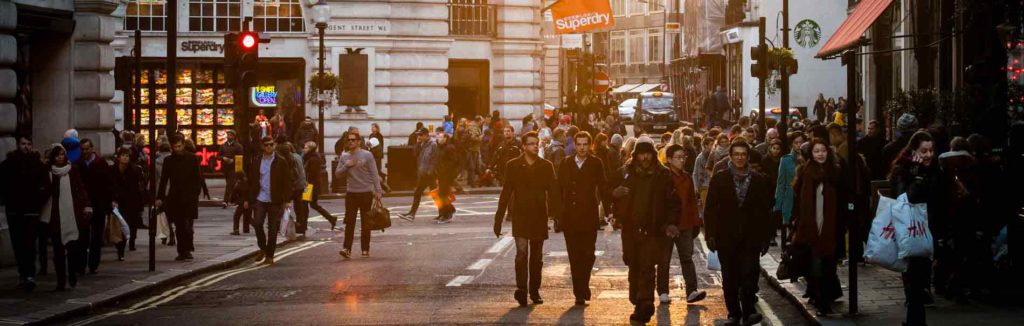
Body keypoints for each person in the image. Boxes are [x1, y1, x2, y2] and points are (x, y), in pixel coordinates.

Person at [704, 140, 775, 326]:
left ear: (748, 156)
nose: (740, 157)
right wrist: (710, 234)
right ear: (730, 156)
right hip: (726, 237)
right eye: (736, 154)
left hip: (751, 238)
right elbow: (710, 209)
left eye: (743, 154)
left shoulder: (759, 180)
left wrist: (766, 237)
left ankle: (749, 311)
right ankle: (733, 313)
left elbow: (765, 211)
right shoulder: (719, 178)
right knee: (730, 278)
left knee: (750, 275)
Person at [613, 141, 678, 324]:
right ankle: (638, 300)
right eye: (641, 154)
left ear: (653, 154)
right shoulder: (625, 173)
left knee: (647, 267)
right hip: (631, 229)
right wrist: (614, 194)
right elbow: (608, 189)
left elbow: (673, 202)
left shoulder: (663, 175)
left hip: (653, 230)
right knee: (633, 264)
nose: (645, 158)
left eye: (648, 154)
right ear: (635, 156)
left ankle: (645, 302)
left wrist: (671, 223)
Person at [889, 130, 948, 326]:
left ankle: (914, 320)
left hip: (930, 230)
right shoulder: (904, 170)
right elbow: (904, 199)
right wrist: (918, 178)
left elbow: (941, 200)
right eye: (924, 151)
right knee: (915, 279)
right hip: (910, 229)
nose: (928, 155)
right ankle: (916, 321)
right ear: (914, 151)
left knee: (921, 279)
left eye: (931, 150)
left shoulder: (936, 170)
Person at [494, 131, 560, 306]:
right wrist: (498, 218)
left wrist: (557, 216)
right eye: (530, 143)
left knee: (536, 257)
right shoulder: (513, 165)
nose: (534, 146)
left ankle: (535, 290)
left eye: (535, 143)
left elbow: (553, 192)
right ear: (523, 146)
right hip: (521, 215)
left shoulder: (546, 166)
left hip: (539, 215)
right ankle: (521, 289)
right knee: (521, 253)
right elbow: (506, 192)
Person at [556, 131, 610, 305]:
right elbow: (559, 190)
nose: (581, 148)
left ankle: (583, 284)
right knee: (574, 255)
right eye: (578, 144)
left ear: (590, 145)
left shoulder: (596, 163)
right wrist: (556, 214)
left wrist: (608, 211)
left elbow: (603, 187)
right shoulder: (566, 163)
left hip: (589, 214)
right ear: (574, 145)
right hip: (570, 216)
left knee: (588, 254)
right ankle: (579, 291)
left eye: (585, 144)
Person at [792, 139, 844, 315]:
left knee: (828, 266)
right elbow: (802, 202)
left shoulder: (835, 172)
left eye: (823, 150)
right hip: (812, 227)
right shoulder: (807, 172)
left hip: (831, 227)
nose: (821, 154)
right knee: (817, 266)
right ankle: (822, 303)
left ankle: (825, 298)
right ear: (811, 155)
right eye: (817, 151)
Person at [660, 144, 708, 304]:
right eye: (678, 157)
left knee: (687, 258)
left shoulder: (687, 177)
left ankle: (691, 291)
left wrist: (696, 223)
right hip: (667, 226)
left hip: (685, 225)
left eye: (683, 157)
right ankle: (663, 292)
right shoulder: (662, 176)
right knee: (664, 260)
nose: (682, 160)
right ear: (669, 159)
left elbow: (692, 202)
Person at [1, 135, 49, 291]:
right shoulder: (8, 164)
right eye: (23, 144)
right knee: (18, 244)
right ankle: (23, 273)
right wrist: (6, 199)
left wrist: (37, 201)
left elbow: (46, 187)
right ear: (18, 145)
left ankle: (29, 274)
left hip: (31, 211)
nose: (26, 147)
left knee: (29, 244)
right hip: (14, 210)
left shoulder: (38, 165)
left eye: (29, 144)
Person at [41, 144, 90, 290]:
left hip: (71, 214)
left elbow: (80, 188)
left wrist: (86, 205)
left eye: (62, 154)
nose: (59, 157)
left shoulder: (72, 170)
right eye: (56, 155)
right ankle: (61, 281)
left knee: (72, 248)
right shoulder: (48, 172)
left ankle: (72, 273)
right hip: (55, 215)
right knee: (58, 252)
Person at [243, 136, 296, 265]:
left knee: (273, 229)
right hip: (260, 198)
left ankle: (270, 256)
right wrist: (246, 199)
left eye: (271, 144)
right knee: (257, 223)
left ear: (274, 145)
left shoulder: (281, 161)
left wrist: (288, 200)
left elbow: (287, 182)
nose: (269, 147)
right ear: (262, 146)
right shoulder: (256, 161)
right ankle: (263, 247)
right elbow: (250, 182)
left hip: (275, 200)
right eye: (266, 145)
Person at [335, 131, 383, 259]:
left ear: (359, 142)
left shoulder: (367, 155)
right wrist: (346, 165)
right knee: (350, 222)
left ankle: (365, 249)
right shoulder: (344, 156)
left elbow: (374, 174)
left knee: (365, 223)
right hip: (351, 194)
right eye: (348, 140)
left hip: (366, 193)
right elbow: (337, 174)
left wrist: (378, 191)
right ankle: (347, 249)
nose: (350, 142)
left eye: (353, 140)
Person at [157, 134, 204, 261]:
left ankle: (188, 249)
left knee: (188, 225)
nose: (177, 149)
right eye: (174, 147)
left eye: (179, 146)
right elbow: (163, 180)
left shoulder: (192, 158)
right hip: (175, 198)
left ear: (183, 144)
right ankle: (182, 251)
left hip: (189, 197)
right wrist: (159, 197)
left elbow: (197, 178)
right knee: (179, 225)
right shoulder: (168, 161)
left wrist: (195, 194)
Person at [76, 138, 117, 274]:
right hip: (83, 205)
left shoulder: (101, 163)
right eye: (82, 149)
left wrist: (110, 201)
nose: (85, 151)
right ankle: (81, 265)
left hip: (98, 205)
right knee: (82, 237)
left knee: (96, 237)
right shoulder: (78, 164)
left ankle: (93, 264)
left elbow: (109, 184)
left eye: (87, 149)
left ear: (92, 148)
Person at [398, 128, 437, 222]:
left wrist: (430, 171)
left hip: (429, 174)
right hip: (423, 173)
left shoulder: (433, 144)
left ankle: (412, 214)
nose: (419, 137)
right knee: (432, 194)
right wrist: (418, 143)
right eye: (418, 135)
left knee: (424, 194)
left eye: (420, 135)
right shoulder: (422, 144)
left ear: (426, 135)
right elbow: (415, 154)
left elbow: (434, 159)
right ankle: (412, 214)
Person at [112, 147, 145, 254]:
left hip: (132, 200)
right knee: (121, 223)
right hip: (119, 201)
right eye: (123, 155)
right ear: (118, 157)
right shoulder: (113, 169)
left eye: (127, 156)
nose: (125, 158)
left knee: (132, 223)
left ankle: (132, 241)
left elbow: (139, 187)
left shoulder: (135, 169)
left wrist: (141, 203)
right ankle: (120, 247)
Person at [302, 141, 337, 230]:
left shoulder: (313, 159)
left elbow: (312, 174)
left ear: (310, 149)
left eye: (306, 147)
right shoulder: (309, 157)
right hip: (309, 185)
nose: (304, 149)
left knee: (306, 205)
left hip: (310, 186)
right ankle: (331, 218)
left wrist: (308, 185)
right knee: (311, 205)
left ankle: (303, 225)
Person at [435, 128, 459, 223]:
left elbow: (453, 162)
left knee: (443, 195)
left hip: (447, 175)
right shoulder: (440, 147)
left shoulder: (449, 147)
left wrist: (446, 171)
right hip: (441, 175)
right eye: (437, 137)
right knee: (441, 195)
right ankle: (445, 213)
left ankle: (448, 213)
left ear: (445, 138)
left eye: (440, 137)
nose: (438, 139)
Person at [219, 130, 244, 208]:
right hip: (225, 168)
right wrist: (223, 158)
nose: (228, 136)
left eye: (230, 135)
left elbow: (241, 157)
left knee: (229, 184)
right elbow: (218, 155)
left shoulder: (238, 146)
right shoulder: (223, 146)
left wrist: (233, 160)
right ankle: (237, 200)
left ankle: (225, 201)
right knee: (231, 185)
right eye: (228, 134)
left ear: (234, 136)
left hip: (234, 168)